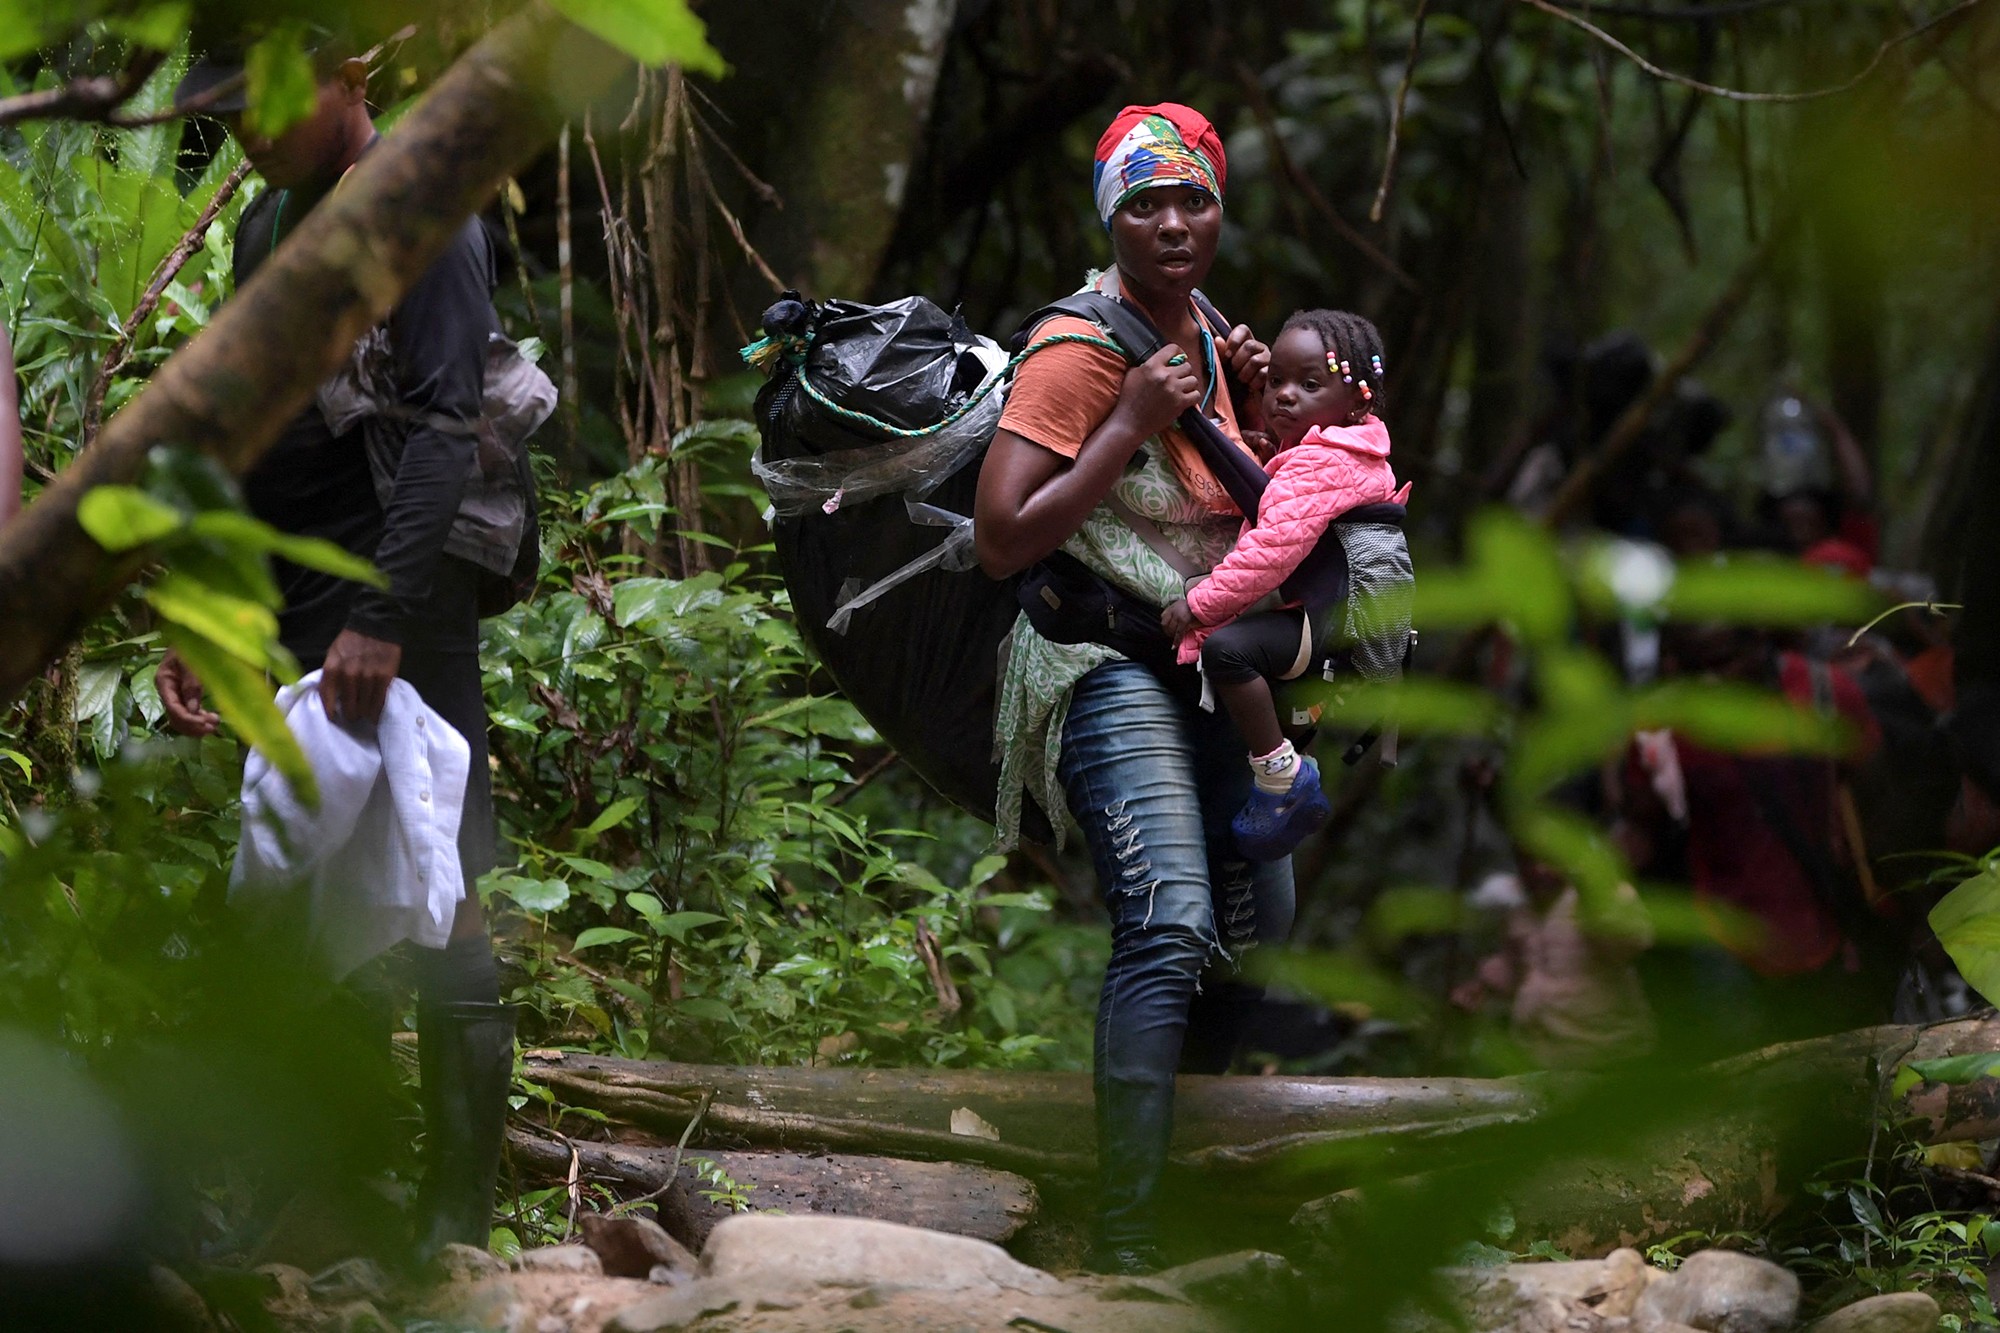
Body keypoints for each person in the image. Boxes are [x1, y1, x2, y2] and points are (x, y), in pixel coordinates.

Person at [153, 43, 515, 1261]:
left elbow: (445, 425)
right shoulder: (268, 228)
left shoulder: (423, 211)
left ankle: (455, 1217)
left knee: (446, 883)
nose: (244, 131)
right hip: (301, 588)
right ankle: (328, 1192)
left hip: (407, 588)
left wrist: (387, 618)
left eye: (265, 101)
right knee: (318, 883)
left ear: (346, 73)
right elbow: (248, 427)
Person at [973, 102, 1288, 1274]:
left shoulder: (1202, 322)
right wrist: (1124, 424)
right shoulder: (1076, 348)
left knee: (1265, 924)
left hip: (1205, 662)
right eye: (1144, 203)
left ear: (1217, 211)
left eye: (1191, 199)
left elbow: (1215, 505)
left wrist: (1240, 403)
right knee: (1167, 924)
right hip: (1102, 661)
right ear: (1111, 216)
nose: (1171, 222)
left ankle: (1182, 1174)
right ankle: (1128, 1239)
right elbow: (998, 538)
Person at [1160, 309, 1407, 859]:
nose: (1284, 396)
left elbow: (1269, 553)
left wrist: (1198, 606)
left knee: (1228, 652)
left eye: (1309, 384)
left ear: (1359, 401)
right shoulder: (1348, 451)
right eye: (1277, 382)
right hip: (1345, 618)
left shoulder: (1322, 466)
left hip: (1330, 619)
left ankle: (1282, 778)